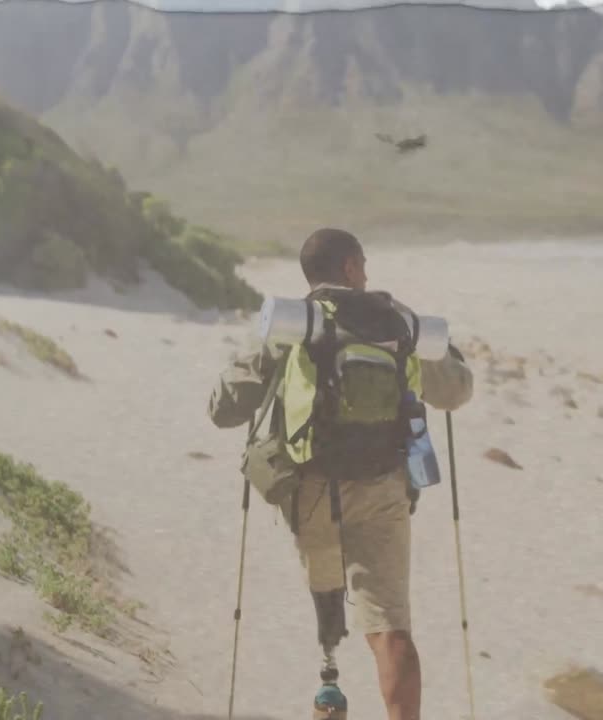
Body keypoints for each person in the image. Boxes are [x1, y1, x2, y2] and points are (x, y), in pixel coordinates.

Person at [208, 228, 474, 720]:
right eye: (364, 263)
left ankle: (329, 673)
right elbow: (456, 393)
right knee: (391, 625)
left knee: (326, 579)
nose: (368, 272)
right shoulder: (398, 322)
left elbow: (223, 410)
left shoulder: (296, 323)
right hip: (385, 489)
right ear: (350, 267)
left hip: (311, 488)